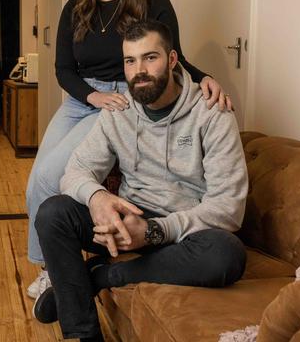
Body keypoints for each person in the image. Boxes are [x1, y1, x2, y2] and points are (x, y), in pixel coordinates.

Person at [25, 0, 233, 298]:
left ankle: (65, 276)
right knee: (40, 177)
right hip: (83, 99)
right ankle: (50, 268)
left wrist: (206, 79)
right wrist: (92, 97)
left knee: (57, 175)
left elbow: (174, 56)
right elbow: (63, 70)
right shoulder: (76, 8)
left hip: (129, 96)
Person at [32, 20, 248, 342]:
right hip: (127, 217)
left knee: (226, 253)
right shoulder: (118, 111)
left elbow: (228, 208)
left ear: (173, 59)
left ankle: (100, 277)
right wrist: (98, 199)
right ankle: (83, 335)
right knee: (52, 213)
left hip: (182, 229)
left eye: (150, 58)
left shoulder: (212, 113)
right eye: (130, 61)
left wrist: (151, 232)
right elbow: (75, 171)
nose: (139, 71)